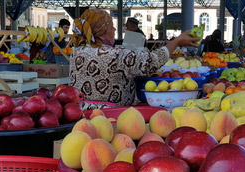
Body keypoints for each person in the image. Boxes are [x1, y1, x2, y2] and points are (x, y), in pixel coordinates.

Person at [69, 9, 199, 107]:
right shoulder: (117, 54)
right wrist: (177, 41)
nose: (114, 29)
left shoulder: (76, 52)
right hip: (111, 119)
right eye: (111, 26)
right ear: (102, 34)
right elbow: (151, 61)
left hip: (81, 114)